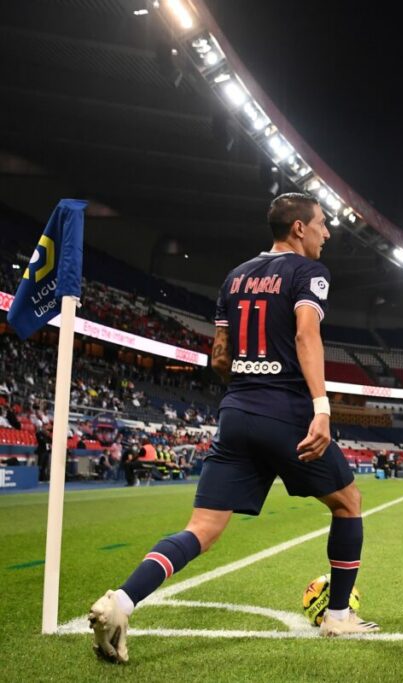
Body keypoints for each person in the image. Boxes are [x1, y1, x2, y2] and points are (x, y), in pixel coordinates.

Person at [88, 193, 378, 665]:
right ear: (299, 228)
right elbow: (306, 334)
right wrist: (321, 407)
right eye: (322, 224)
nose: (327, 233)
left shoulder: (234, 277)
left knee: (201, 528)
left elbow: (220, 356)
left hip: (236, 410)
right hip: (287, 411)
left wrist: (248, 389)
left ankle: (121, 601)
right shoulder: (309, 273)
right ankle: (338, 615)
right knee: (348, 503)